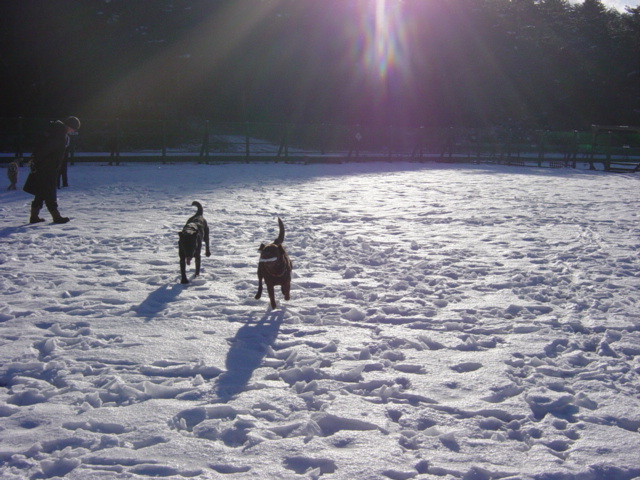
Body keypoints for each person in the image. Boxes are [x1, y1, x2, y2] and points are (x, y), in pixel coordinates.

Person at [27, 116, 80, 224]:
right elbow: (48, 149)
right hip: (48, 166)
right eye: (73, 129)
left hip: (45, 165)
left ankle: (34, 216)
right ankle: (56, 216)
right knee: (50, 191)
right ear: (69, 126)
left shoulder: (57, 131)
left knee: (42, 190)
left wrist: (35, 160)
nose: (73, 131)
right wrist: (37, 160)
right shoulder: (59, 134)